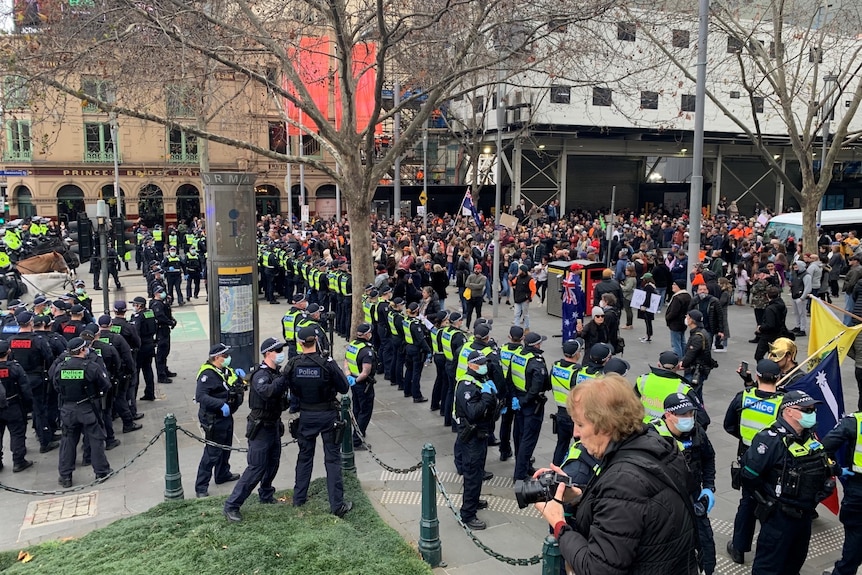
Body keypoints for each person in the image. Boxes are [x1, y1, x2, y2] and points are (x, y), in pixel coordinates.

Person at [535, 374, 699, 574]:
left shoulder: (624, 480)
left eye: (580, 424)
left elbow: (598, 569)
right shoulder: (655, 445)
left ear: (605, 425)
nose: (575, 434)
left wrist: (559, 523)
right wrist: (579, 496)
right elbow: (634, 508)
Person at [740, 390, 835, 575]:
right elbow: (749, 475)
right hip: (780, 516)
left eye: (813, 409)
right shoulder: (770, 439)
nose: (812, 413)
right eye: (806, 410)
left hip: (804, 514)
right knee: (769, 566)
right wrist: (766, 501)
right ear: (789, 411)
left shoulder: (810, 435)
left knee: (795, 562)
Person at [285, 325, 352, 517]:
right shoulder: (327, 363)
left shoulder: (294, 364)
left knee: (304, 458)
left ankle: (299, 498)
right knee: (332, 460)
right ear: (315, 340)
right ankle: (337, 505)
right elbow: (344, 387)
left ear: (299, 343)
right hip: (327, 415)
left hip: (306, 415)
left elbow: (290, 388)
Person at [724, 358, 786, 564]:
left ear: (757, 376)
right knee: (774, 503)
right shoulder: (783, 402)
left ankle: (739, 548)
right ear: (778, 378)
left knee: (748, 502)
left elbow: (729, 425)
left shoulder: (743, 397)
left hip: (748, 458)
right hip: (776, 462)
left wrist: (745, 440)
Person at [223, 338, 288, 522]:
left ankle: (266, 494)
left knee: (273, 463)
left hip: (273, 424)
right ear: (268, 353)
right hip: (260, 428)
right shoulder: (261, 375)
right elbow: (267, 392)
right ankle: (232, 506)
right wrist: (284, 378)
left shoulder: (276, 373)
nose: (281, 353)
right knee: (256, 468)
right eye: (277, 350)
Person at [653, 393, 717, 575]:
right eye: (683, 414)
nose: (688, 418)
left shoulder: (697, 431)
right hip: (667, 502)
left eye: (690, 413)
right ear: (668, 415)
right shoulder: (654, 436)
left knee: (705, 543)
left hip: (694, 496)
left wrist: (709, 487)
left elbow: (709, 458)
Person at [52, 337, 113, 488]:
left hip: (67, 409)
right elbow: (105, 385)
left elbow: (56, 386)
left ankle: (65, 476)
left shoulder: (60, 367)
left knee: (68, 441)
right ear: (81, 350)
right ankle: (101, 471)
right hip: (87, 407)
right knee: (95, 439)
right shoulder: (91, 367)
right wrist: (95, 396)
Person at [453, 350, 497, 530]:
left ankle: (474, 499)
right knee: (472, 473)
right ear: (472, 365)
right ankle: (468, 514)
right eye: (481, 364)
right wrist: (487, 397)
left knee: (478, 470)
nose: (484, 366)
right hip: (471, 435)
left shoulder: (480, 381)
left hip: (480, 434)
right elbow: (473, 412)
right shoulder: (467, 385)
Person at [194, 343, 244, 498]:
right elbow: (201, 396)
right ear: (217, 357)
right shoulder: (207, 374)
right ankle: (201, 486)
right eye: (225, 355)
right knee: (212, 452)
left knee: (226, 447)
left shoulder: (224, 370)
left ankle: (222, 474)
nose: (229, 358)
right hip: (213, 417)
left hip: (226, 416)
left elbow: (232, 382)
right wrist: (220, 404)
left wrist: (240, 378)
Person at [822, 410, 862, 575]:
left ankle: (844, 572)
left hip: (858, 490)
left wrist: (836, 469)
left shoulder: (855, 421)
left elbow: (824, 448)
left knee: (856, 535)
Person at [510, 331, 549, 482]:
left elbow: (510, 378)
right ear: (536, 345)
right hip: (531, 405)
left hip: (519, 401)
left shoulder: (518, 355)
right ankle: (520, 475)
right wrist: (524, 401)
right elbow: (536, 388)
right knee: (528, 440)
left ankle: (525, 467)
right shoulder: (536, 362)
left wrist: (515, 398)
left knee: (519, 437)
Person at [635, 350, 709, 428]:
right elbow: (702, 419)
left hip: (645, 429)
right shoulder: (683, 388)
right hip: (670, 433)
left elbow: (631, 404)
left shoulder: (643, 380)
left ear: (658, 364)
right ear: (678, 367)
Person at [0, 339, 33, 472]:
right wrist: (28, 406)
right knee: (17, 433)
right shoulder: (14, 368)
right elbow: (25, 389)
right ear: (8, 351)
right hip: (13, 405)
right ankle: (18, 461)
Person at [550, 338, 583, 466]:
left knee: (561, 444)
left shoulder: (556, 366)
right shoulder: (577, 371)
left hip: (560, 412)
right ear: (576, 354)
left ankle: (554, 471)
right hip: (574, 415)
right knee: (579, 447)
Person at [345, 323, 376, 450]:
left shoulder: (352, 345)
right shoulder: (366, 351)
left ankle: (358, 432)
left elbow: (346, 361)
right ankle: (357, 440)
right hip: (363, 385)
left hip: (354, 382)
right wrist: (357, 380)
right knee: (365, 412)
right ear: (367, 334)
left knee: (357, 409)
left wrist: (348, 376)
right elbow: (365, 372)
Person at [680, 310, 714, 402]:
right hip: (700, 369)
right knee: (698, 396)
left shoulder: (697, 337)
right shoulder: (702, 332)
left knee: (688, 396)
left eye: (687, 317)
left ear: (692, 320)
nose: (686, 318)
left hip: (695, 371)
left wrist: (682, 364)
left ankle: (697, 414)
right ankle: (700, 413)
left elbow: (690, 354)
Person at [402, 302, 431, 402]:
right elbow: (421, 339)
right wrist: (429, 350)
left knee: (409, 370)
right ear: (417, 310)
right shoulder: (415, 324)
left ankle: (407, 390)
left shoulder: (406, 320)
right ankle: (417, 395)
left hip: (408, 347)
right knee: (416, 373)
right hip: (416, 350)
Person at [131, 296, 157, 403]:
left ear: (139, 306)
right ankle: (150, 393)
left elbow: (135, 332)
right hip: (150, 343)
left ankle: (133, 396)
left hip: (141, 346)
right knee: (148, 369)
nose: (133, 307)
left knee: (136, 371)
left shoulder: (138, 317)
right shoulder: (150, 313)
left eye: (134, 305)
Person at [150, 286, 177, 383]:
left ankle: (165, 370)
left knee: (165, 351)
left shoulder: (162, 303)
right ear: (156, 294)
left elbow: (167, 313)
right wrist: (170, 322)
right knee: (161, 353)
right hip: (160, 330)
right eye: (160, 292)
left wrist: (172, 320)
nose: (163, 293)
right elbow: (160, 316)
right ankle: (161, 375)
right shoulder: (156, 304)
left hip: (164, 330)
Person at [754, 286, 788, 361]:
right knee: (774, 355)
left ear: (767, 295)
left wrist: (760, 328)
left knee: (758, 356)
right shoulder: (782, 305)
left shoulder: (770, 309)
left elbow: (770, 324)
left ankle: (765, 370)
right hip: (779, 333)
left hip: (768, 335)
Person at [666, 279, 691, 358]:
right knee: (682, 341)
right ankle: (684, 357)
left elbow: (674, 312)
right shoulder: (687, 296)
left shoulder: (677, 297)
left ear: (679, 286)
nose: (672, 286)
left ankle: (678, 359)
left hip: (675, 323)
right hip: (683, 322)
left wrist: (667, 317)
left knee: (675, 344)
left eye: (674, 284)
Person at [790, 260, 812, 336]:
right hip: (794, 295)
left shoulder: (806, 275)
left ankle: (802, 329)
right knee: (796, 313)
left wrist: (802, 298)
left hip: (800, 297)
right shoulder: (795, 274)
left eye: (796, 266)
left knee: (802, 313)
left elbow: (808, 288)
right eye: (794, 266)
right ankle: (798, 326)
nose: (795, 267)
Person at [637, 272, 657, 343]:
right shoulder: (652, 286)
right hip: (651, 307)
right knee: (648, 321)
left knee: (648, 322)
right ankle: (648, 335)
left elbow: (648, 297)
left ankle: (648, 336)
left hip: (648, 307)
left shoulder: (648, 287)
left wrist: (644, 305)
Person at [464, 264, 486, 328]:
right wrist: (475, 285)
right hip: (470, 298)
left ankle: (478, 327)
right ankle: (467, 326)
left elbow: (480, 286)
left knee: (478, 313)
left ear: (481, 270)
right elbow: (466, 284)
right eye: (475, 268)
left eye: (478, 269)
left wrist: (471, 285)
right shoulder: (470, 276)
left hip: (478, 297)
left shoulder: (483, 278)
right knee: (469, 313)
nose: (476, 270)